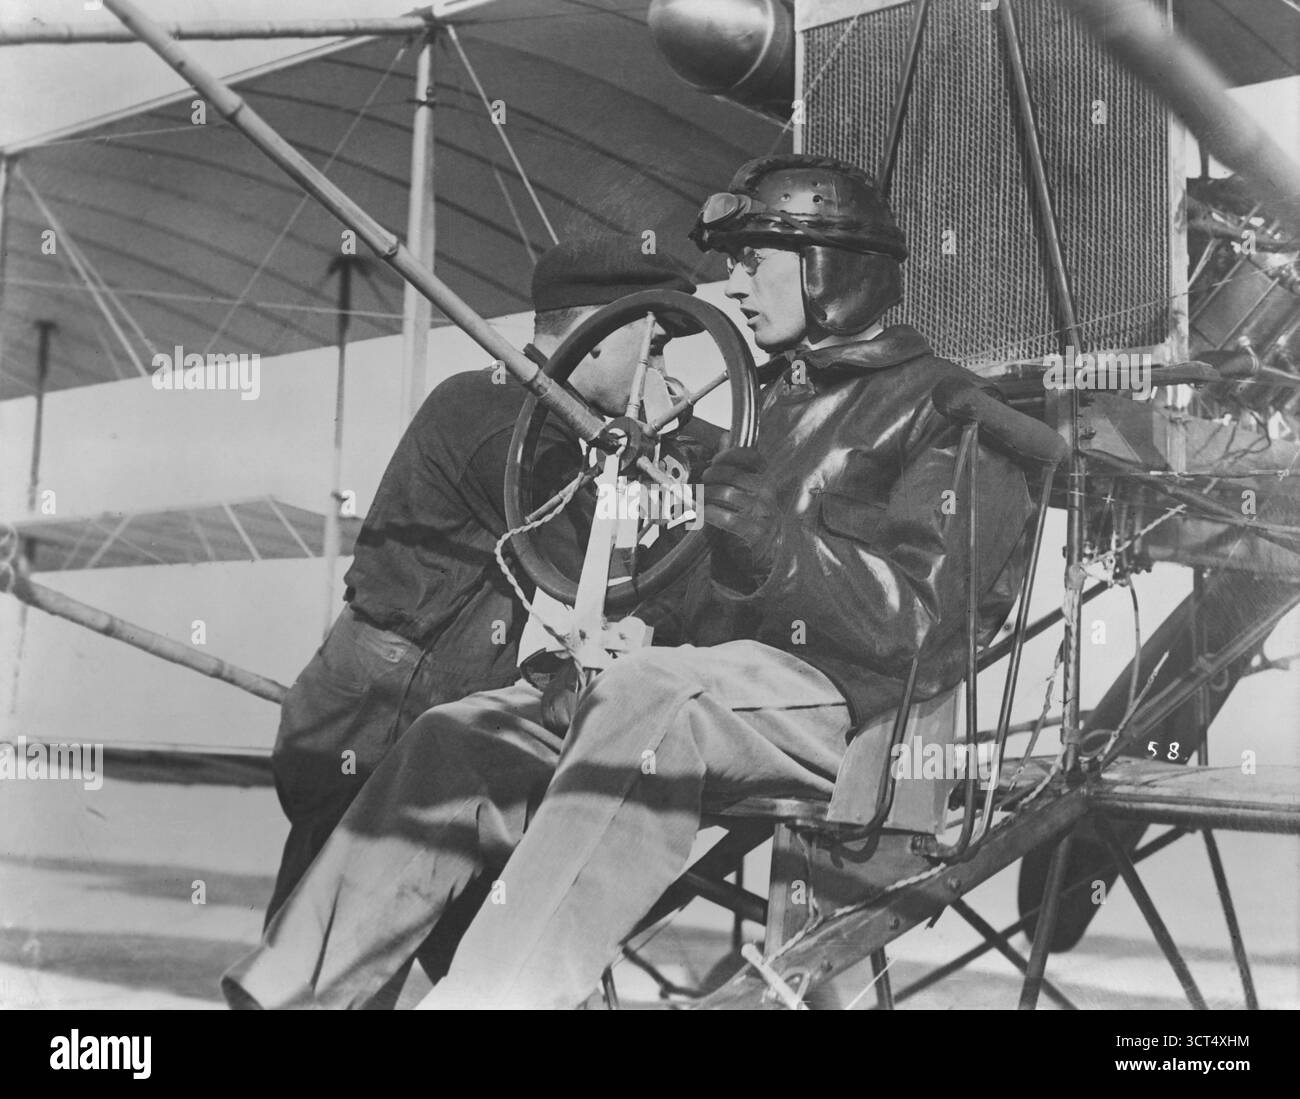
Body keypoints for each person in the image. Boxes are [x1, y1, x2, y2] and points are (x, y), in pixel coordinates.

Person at [223, 154, 1032, 1011]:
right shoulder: (764, 407)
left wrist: (782, 548)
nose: (734, 284)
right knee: (460, 734)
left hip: (859, 714)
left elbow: (927, 620)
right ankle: (292, 996)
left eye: (754, 260)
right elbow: (707, 594)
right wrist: (629, 613)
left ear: (826, 267)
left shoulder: (945, 406)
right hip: (717, 687)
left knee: (654, 697)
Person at [263, 236, 700, 924]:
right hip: (377, 710)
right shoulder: (496, 415)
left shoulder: (542, 425)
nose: (661, 369)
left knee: (441, 936)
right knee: (325, 930)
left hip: (435, 703)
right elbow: (592, 572)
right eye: (653, 348)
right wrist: (676, 462)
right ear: (596, 339)